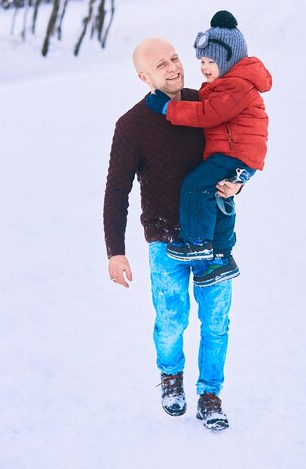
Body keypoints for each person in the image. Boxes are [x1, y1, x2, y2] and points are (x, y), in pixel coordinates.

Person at [103, 37, 242, 430]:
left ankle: (210, 393)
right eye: (161, 64)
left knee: (217, 321)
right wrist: (116, 250)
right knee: (171, 321)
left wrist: (238, 182)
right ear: (143, 76)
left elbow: (237, 152)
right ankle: (171, 377)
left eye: (175, 58)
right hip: (166, 240)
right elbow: (117, 190)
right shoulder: (132, 125)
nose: (173, 67)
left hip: (214, 237)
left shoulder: (207, 105)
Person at [146, 11, 272, 286]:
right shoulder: (227, 84)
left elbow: (207, 114)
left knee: (194, 185)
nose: (204, 67)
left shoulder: (236, 86)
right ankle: (222, 258)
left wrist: (168, 107)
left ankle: (197, 242)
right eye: (201, 61)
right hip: (239, 154)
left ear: (229, 60)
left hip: (234, 152)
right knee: (220, 197)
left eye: (211, 61)